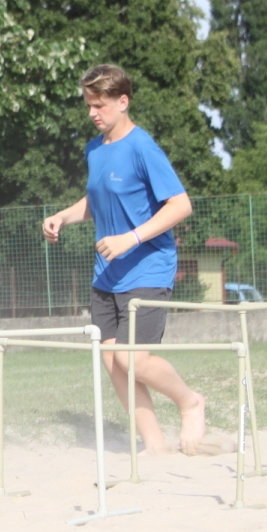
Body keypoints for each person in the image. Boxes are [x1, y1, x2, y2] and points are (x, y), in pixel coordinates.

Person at [41, 64, 206, 455]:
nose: (92, 113)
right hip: (107, 274)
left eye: (99, 105)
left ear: (123, 101)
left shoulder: (143, 147)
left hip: (148, 267)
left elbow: (180, 205)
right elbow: (98, 199)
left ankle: (190, 402)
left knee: (134, 360)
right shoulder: (94, 149)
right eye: (88, 105)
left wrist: (130, 238)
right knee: (113, 362)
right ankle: (155, 445)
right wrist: (63, 216)